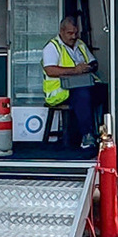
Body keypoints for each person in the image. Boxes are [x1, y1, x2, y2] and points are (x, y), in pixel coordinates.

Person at [41, 17, 106, 152]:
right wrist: (75, 71)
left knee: (105, 91)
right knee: (82, 95)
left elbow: (94, 62)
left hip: (83, 83)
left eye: (75, 33)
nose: (73, 36)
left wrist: (88, 67)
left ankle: (104, 131)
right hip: (60, 91)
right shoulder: (52, 47)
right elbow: (50, 70)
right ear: (61, 31)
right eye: (70, 33)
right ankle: (86, 135)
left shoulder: (80, 44)